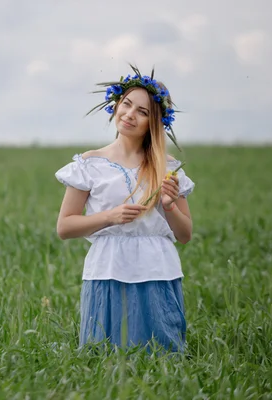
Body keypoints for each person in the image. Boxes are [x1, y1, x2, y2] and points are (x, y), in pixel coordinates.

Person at [54, 66, 195, 354]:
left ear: (153, 123)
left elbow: (185, 234)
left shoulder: (166, 166)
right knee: (104, 356)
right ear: (115, 105)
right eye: (127, 104)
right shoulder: (90, 163)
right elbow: (64, 227)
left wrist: (168, 207)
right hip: (108, 270)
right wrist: (110, 217)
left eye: (142, 112)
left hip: (157, 270)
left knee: (160, 358)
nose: (130, 114)